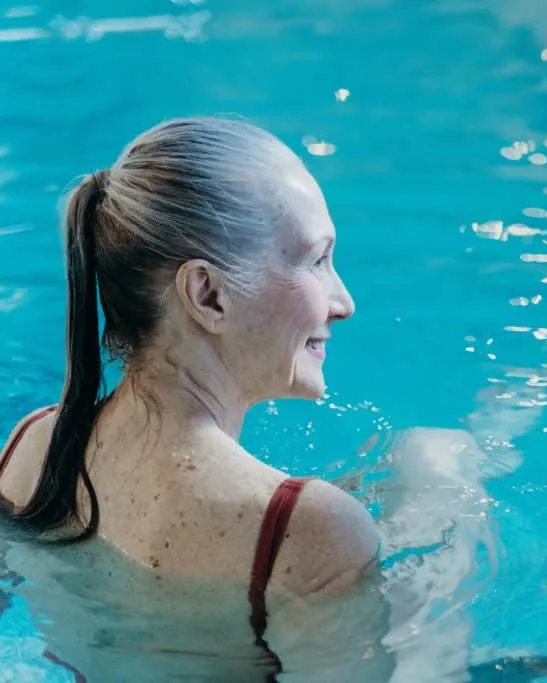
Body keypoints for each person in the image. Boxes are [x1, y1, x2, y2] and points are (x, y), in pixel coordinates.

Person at [0, 117, 384, 681]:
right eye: (316, 261)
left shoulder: (31, 449)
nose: (343, 302)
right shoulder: (308, 531)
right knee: (435, 464)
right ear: (208, 295)